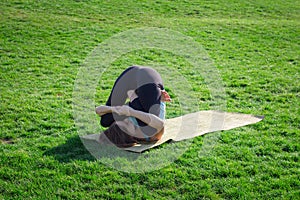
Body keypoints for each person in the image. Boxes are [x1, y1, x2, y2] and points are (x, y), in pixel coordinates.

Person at [95, 66, 171, 147]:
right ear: (130, 135)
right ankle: (153, 95)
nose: (126, 120)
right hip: (147, 78)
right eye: (126, 124)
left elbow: (98, 110)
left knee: (105, 121)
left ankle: (148, 96)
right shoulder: (150, 134)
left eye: (121, 122)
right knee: (148, 113)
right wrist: (130, 111)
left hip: (129, 74)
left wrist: (116, 109)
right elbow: (160, 124)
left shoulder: (131, 118)